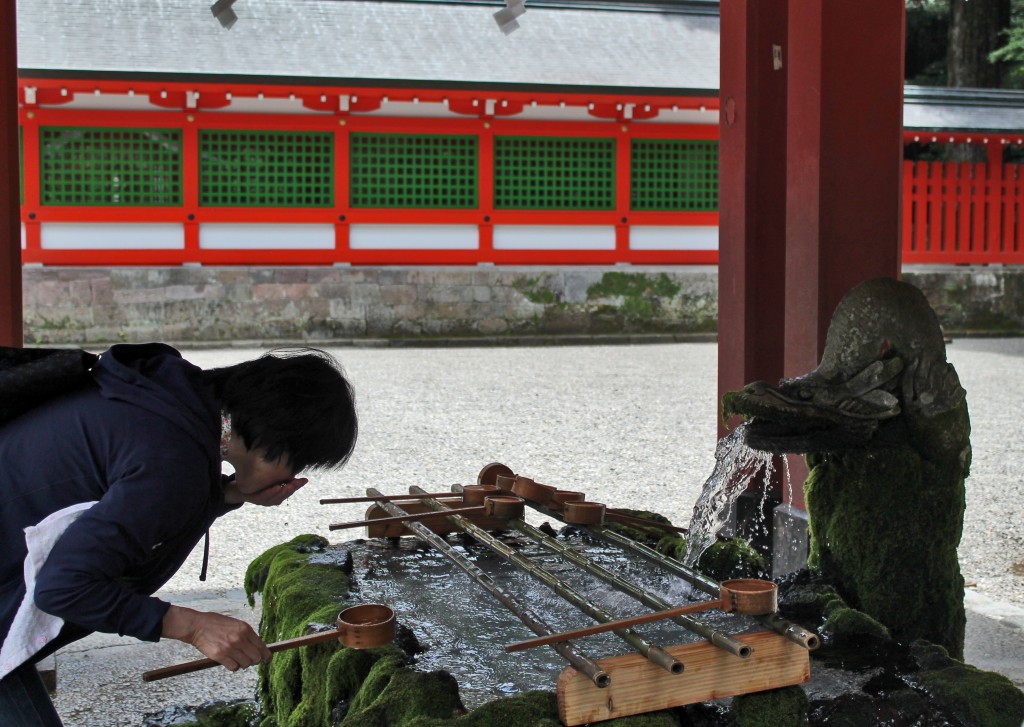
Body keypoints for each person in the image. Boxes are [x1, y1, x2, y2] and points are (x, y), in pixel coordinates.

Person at [0, 343, 358, 726]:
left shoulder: (168, 401)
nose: (291, 477)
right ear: (275, 442)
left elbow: (146, 506)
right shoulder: (172, 459)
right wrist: (193, 625)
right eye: (298, 462)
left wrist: (231, 493)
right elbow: (64, 588)